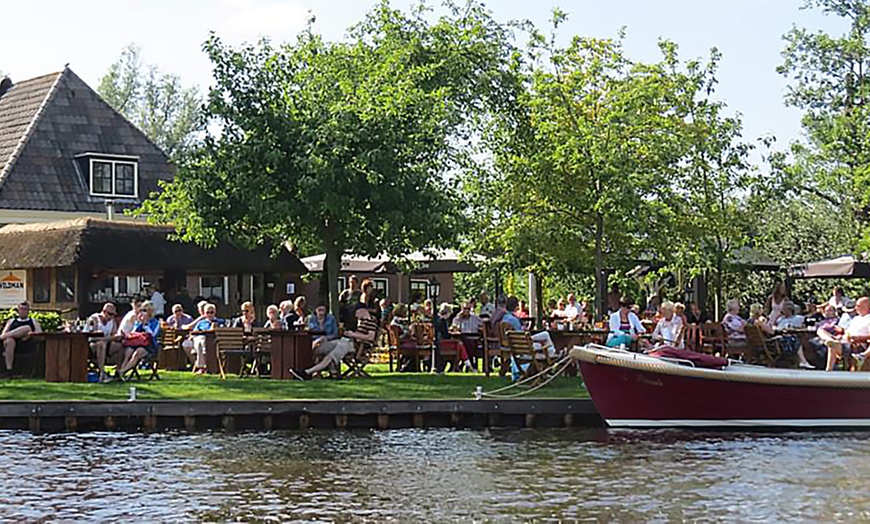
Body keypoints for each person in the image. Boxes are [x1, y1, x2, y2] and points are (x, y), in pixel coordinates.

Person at [291, 305, 378, 380]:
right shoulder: (362, 322)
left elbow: (370, 337)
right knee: (317, 348)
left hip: (351, 345)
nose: (355, 315)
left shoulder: (371, 322)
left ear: (363, 311)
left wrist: (352, 334)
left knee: (330, 357)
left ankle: (306, 373)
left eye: (356, 313)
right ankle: (307, 370)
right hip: (344, 340)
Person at [117, 301, 162, 379]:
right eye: (142, 310)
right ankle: (121, 372)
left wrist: (146, 325)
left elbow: (153, 334)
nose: (142, 312)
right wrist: (139, 323)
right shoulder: (139, 322)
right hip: (137, 343)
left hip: (149, 345)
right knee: (128, 352)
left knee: (137, 353)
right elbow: (134, 333)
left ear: (150, 311)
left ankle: (122, 372)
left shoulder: (156, 322)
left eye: (145, 310)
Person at [434, 302, 473, 372]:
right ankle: (467, 364)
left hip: (440, 342)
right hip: (443, 344)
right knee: (460, 344)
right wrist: (451, 333)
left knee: (460, 344)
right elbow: (446, 335)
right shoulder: (442, 321)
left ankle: (464, 365)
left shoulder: (437, 319)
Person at [774, 301, 814, 369]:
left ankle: (803, 361)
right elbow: (775, 327)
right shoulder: (780, 319)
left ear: (789, 309)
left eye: (784, 309)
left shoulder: (799, 318)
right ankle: (803, 361)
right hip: (780, 340)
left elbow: (803, 327)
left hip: (790, 338)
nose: (782, 311)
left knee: (795, 338)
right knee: (794, 339)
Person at [85, 302, 119, 382]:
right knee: (101, 345)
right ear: (103, 311)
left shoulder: (112, 321)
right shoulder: (94, 319)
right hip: (92, 344)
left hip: (107, 344)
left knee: (121, 346)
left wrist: (105, 339)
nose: (111, 316)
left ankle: (118, 372)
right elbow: (88, 336)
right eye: (110, 314)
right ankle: (102, 372)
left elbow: (115, 335)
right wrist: (105, 339)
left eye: (113, 314)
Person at [190, 303, 224, 374]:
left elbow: (222, 331)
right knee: (200, 340)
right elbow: (194, 332)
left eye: (211, 312)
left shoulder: (220, 321)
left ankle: (202, 367)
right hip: (201, 340)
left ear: (215, 312)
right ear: (204, 313)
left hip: (216, 342)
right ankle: (202, 366)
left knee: (202, 342)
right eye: (207, 312)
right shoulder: (201, 322)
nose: (210, 314)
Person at [837, 297, 870, 368]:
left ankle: (863, 356)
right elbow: (848, 332)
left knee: (834, 345)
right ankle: (829, 370)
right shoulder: (856, 319)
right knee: (822, 332)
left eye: (858, 306)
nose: (855, 308)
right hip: (846, 340)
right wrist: (845, 336)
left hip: (860, 343)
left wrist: (858, 338)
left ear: (866, 307)